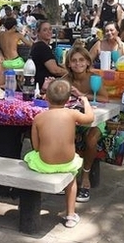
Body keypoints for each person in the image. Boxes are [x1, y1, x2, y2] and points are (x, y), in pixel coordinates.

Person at [24, 79, 94, 228]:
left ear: (46, 98)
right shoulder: (72, 113)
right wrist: (85, 102)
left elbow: (36, 147)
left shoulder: (38, 118)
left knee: (29, 157)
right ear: (68, 100)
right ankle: (70, 215)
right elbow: (90, 118)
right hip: (68, 163)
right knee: (72, 179)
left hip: (45, 164)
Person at [61, 46, 108, 203]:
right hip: (74, 118)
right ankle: (68, 174)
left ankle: (85, 176)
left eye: (81, 60)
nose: (78, 63)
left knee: (91, 139)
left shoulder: (94, 78)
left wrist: (82, 95)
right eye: (74, 60)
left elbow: (105, 98)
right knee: (61, 136)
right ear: (69, 64)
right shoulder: (65, 79)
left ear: (88, 62)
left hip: (96, 119)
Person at [30, 20, 67, 86]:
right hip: (45, 84)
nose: (49, 32)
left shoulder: (38, 45)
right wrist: (71, 73)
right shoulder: (41, 47)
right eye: (45, 30)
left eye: (50, 29)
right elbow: (55, 70)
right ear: (38, 32)